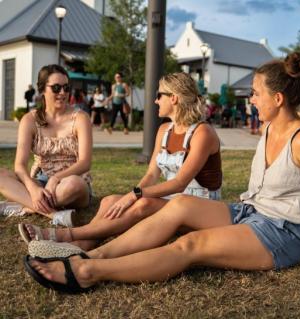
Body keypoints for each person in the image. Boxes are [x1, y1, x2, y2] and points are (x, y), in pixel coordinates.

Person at [24, 53, 300, 294]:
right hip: (249, 212)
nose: (250, 100)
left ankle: (86, 272)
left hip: (282, 233)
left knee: (189, 245)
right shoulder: (267, 129)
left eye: (255, 94)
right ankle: (89, 253)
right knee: (178, 208)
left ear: (278, 98)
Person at [20, 72, 222, 251]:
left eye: (159, 95)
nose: (155, 101)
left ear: (175, 98)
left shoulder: (202, 133)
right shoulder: (164, 130)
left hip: (200, 208)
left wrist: (134, 195)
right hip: (176, 201)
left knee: (142, 204)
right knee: (109, 201)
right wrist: (130, 196)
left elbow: (180, 183)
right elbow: (152, 174)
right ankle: (83, 246)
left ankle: (68, 235)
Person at [0, 65, 93, 226]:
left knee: (73, 185)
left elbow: (85, 162)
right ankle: (55, 215)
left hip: (72, 182)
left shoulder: (80, 118)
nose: (63, 93)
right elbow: (19, 165)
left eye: (66, 87)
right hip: (41, 181)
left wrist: (56, 178)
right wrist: (33, 188)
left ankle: (24, 205)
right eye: (56, 88)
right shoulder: (29, 120)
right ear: (42, 89)